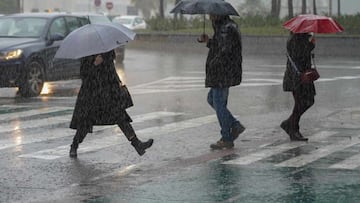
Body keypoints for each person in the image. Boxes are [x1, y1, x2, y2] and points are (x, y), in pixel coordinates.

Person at [69, 50, 153, 157]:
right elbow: (84, 75)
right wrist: (95, 64)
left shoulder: (106, 50)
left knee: (121, 117)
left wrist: (117, 81)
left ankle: (137, 144)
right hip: (91, 94)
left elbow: (110, 68)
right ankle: (74, 145)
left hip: (107, 92)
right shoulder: (87, 52)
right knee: (85, 123)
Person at [198, 14, 245, 149]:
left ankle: (226, 137)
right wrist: (208, 41)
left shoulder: (226, 29)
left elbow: (224, 51)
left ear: (218, 14)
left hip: (222, 72)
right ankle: (234, 125)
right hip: (224, 71)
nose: (209, 16)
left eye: (211, 13)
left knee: (218, 103)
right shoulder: (225, 27)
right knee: (212, 99)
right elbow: (220, 46)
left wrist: (214, 64)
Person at [280, 32, 316, 141]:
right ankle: (292, 128)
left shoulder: (300, 38)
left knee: (307, 101)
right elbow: (299, 55)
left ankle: (290, 125)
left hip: (302, 76)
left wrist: (310, 45)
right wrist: (310, 45)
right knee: (302, 102)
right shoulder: (295, 39)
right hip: (297, 76)